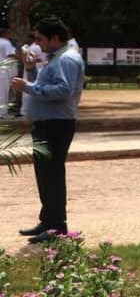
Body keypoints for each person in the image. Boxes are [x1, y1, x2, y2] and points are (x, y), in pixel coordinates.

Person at [10, 16, 85, 243]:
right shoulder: (56, 58)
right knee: (44, 174)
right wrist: (31, 70)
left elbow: (63, 90)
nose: (38, 43)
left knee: (51, 174)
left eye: (41, 38)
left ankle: (57, 227)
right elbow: (45, 85)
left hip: (56, 124)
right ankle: (48, 221)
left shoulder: (66, 59)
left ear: (54, 38)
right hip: (46, 123)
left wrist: (29, 87)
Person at [0, 29, 14, 116]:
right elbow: (10, 55)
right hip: (3, 71)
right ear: (5, 33)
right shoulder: (6, 42)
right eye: (10, 33)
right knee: (3, 92)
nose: (11, 35)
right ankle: (2, 113)